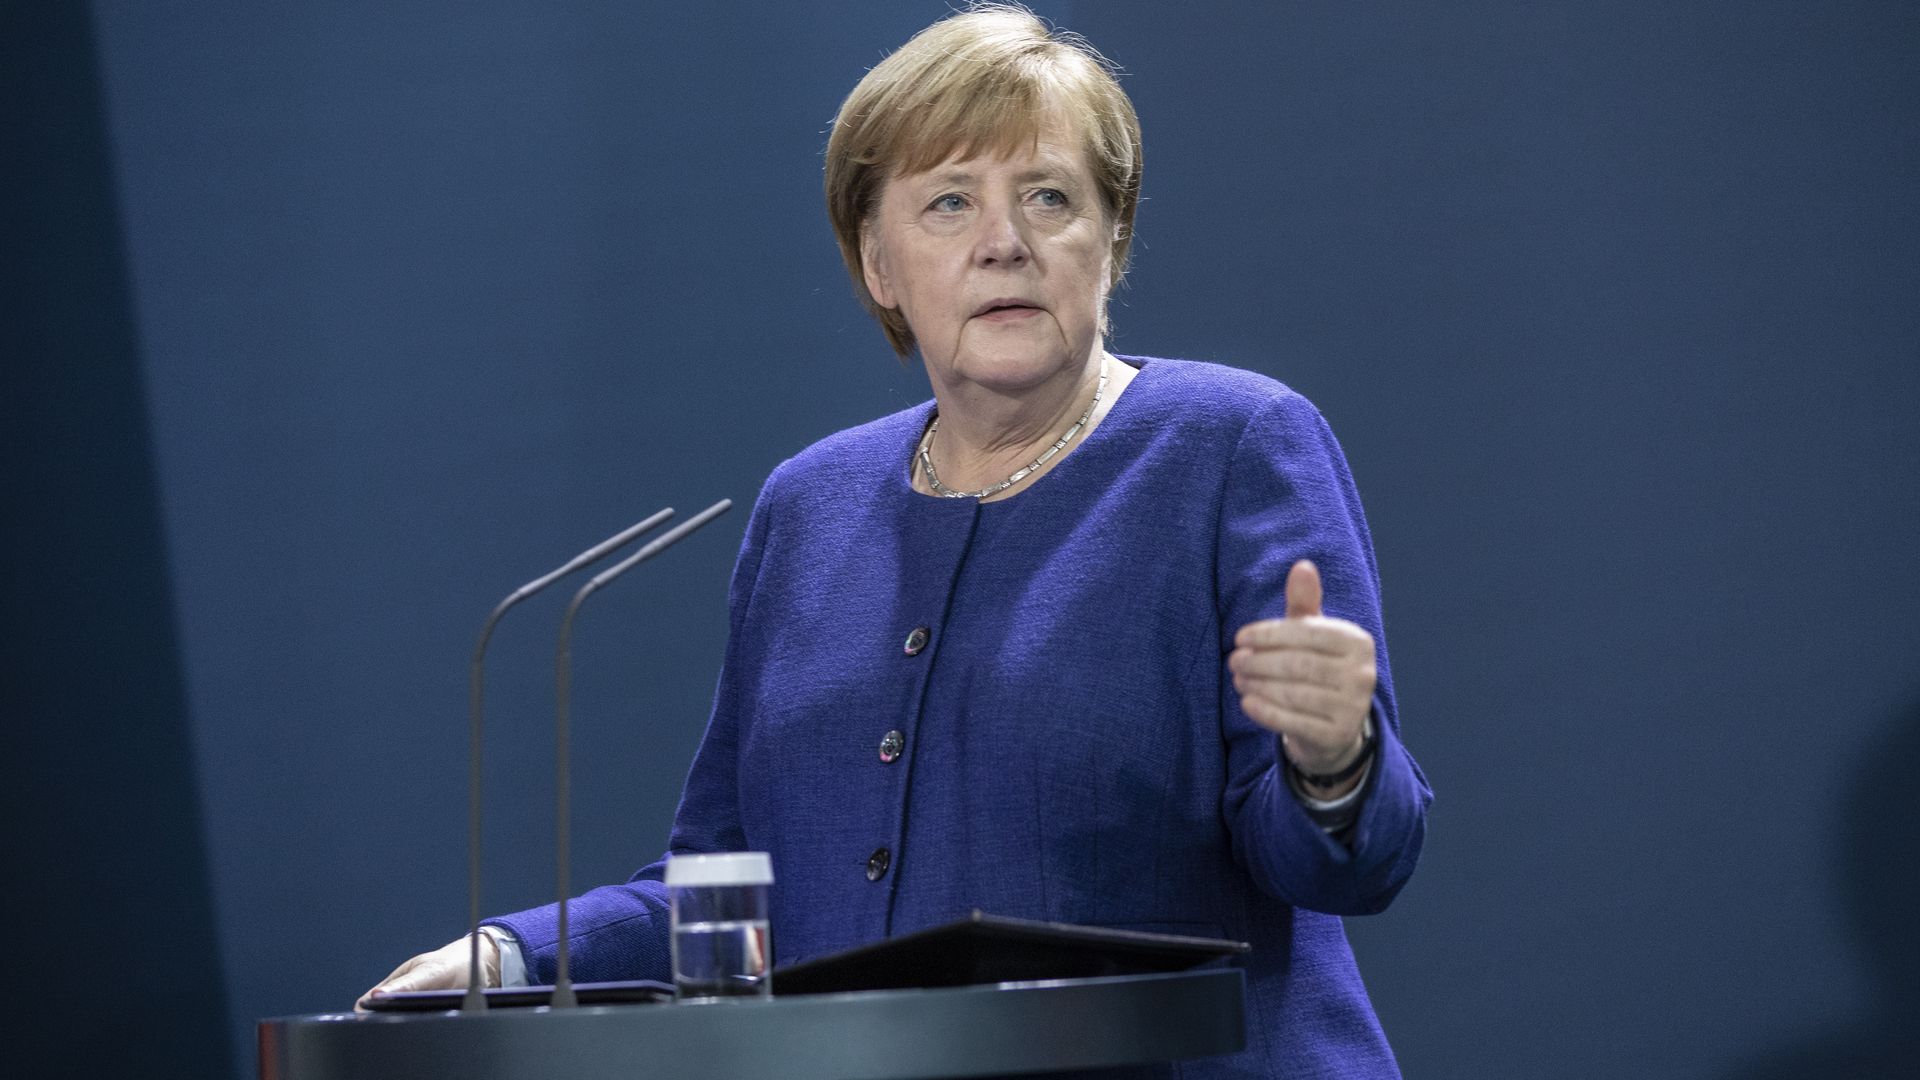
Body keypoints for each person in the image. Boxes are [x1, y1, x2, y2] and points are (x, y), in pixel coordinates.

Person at [362, 5, 1432, 1076]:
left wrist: (1334, 763)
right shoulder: (808, 506)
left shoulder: (1231, 446)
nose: (1002, 240)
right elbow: (725, 893)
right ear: (878, 262)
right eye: (951, 202)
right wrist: (508, 956)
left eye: (1049, 197)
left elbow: (1350, 866)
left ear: (1112, 237)